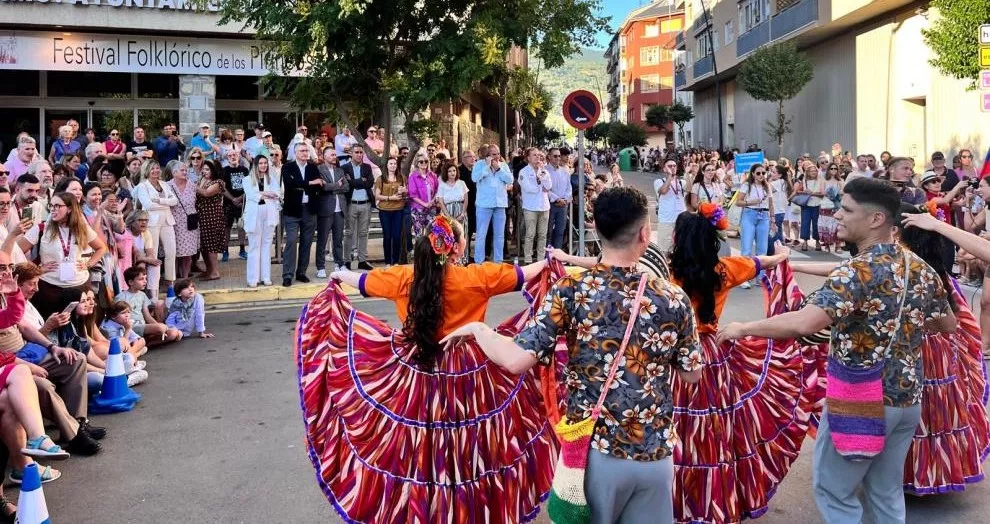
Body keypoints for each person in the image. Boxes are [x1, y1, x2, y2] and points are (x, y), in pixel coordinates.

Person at [445, 188, 705, 524]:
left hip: (593, 453)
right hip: (654, 453)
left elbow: (515, 360)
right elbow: (691, 374)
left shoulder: (572, 290)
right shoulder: (673, 297)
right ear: (645, 234)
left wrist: (479, 330)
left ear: (595, 230)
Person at [717, 177, 957, 523]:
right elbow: (947, 325)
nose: (837, 215)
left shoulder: (857, 270)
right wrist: (900, 319)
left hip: (861, 400)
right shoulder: (918, 267)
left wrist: (743, 328)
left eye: (846, 209)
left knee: (834, 491)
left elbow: (803, 324)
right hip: (906, 400)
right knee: (885, 491)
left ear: (876, 219)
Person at [300, 213, 556, 522]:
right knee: (469, 448)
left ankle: (426, 509)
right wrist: (550, 261)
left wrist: (339, 274)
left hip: (416, 370)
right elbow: (526, 272)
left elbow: (362, 281)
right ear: (458, 248)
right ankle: (465, 510)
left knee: (420, 446)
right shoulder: (477, 277)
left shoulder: (404, 277)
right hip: (471, 374)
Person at [793, 203, 990, 495]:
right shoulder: (921, 266)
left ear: (896, 232)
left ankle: (892, 479)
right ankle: (908, 477)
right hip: (923, 351)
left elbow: (848, 273)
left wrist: (937, 225)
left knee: (898, 411)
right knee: (917, 415)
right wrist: (794, 265)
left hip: (909, 350)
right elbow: (847, 271)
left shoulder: (907, 264)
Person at [12, 261, 104, 456]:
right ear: (18, 282)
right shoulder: (11, 300)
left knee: (76, 358)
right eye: (31, 284)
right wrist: (48, 329)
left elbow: (27, 330)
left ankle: (79, 423)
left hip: (31, 354)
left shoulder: (18, 302)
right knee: (44, 386)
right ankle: (74, 435)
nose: (36, 289)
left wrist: (53, 347)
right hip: (16, 362)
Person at [15, 191, 106, 319]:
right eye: (51, 206)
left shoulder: (82, 228)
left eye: (57, 206)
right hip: (49, 287)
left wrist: (89, 263)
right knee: (52, 324)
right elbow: (16, 250)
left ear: (69, 208)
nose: (53, 209)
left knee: (80, 326)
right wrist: (36, 269)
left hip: (79, 285)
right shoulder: (42, 228)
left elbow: (101, 248)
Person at [134, 160, 178, 299]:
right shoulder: (142, 186)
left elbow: (174, 201)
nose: (155, 171)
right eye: (152, 169)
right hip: (151, 223)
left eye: (157, 168)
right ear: (147, 171)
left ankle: (170, 283)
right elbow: (148, 205)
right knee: (153, 255)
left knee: (171, 252)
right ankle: (153, 289)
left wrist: (159, 201)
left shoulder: (164, 184)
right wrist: (166, 203)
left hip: (167, 221)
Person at [280, 142, 322, 287]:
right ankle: (287, 275)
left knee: (306, 242)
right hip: (292, 209)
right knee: (291, 241)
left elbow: (319, 184)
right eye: (302, 150)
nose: (305, 153)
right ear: (295, 152)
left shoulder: (313, 167)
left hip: (309, 209)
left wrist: (303, 184)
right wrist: (310, 183)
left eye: (307, 150)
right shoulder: (287, 167)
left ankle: (301, 273)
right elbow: (290, 184)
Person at [116, 266, 182, 347]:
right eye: (141, 279)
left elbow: (147, 316)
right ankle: (142, 343)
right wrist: (160, 328)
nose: (145, 281)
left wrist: (161, 327)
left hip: (143, 326)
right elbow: (118, 317)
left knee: (172, 334)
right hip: (131, 326)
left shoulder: (142, 295)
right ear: (131, 282)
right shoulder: (122, 297)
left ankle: (146, 343)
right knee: (161, 328)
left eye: (145, 278)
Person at [243, 155, 282, 288]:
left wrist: (265, 194)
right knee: (254, 246)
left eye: (265, 163)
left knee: (266, 246)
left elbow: (276, 193)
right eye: (260, 163)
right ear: (255, 165)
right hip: (254, 215)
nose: (263, 165)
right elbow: (252, 196)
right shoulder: (247, 180)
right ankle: (253, 278)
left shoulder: (271, 179)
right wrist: (267, 193)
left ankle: (266, 277)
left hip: (269, 213)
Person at [736, 164, 776, 288]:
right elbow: (738, 202)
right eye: (758, 173)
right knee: (746, 248)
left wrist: (773, 220)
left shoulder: (767, 186)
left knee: (762, 249)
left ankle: (761, 277)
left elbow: (770, 204)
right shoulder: (747, 185)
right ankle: (744, 278)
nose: (761, 176)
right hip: (749, 214)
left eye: (763, 173)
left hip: (764, 216)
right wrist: (750, 202)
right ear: (752, 174)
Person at [472, 145, 513, 263]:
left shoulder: (503, 165)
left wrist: (499, 169)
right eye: (494, 154)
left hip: (500, 204)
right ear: (488, 155)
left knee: (500, 235)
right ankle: (479, 262)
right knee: (481, 235)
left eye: (498, 154)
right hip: (484, 205)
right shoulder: (479, 164)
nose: (497, 156)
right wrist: (487, 167)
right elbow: (475, 178)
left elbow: (510, 180)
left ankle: (498, 261)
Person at [342, 145, 376, 271]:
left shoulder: (367, 167)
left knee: (363, 233)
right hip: (351, 204)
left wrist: (354, 182)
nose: (360, 155)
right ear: (351, 153)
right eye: (357, 152)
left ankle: (362, 260)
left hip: (365, 203)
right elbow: (346, 185)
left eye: (361, 152)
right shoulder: (344, 168)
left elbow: (370, 182)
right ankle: (347, 261)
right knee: (348, 233)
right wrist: (360, 181)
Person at [195, 160, 226, 281]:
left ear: (214, 170)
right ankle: (209, 270)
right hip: (202, 216)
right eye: (204, 169)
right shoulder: (202, 180)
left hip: (212, 216)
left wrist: (193, 186)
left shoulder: (219, 182)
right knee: (204, 245)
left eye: (207, 169)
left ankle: (215, 271)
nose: (204, 171)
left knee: (211, 245)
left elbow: (206, 193)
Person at [373, 157, 406, 268]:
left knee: (396, 236)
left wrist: (404, 191)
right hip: (385, 210)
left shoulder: (401, 178)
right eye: (390, 163)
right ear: (386, 165)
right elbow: (377, 195)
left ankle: (395, 261)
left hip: (398, 210)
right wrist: (390, 198)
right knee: (387, 236)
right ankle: (387, 262)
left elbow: (407, 193)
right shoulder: (381, 179)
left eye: (394, 163)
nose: (393, 165)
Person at [653, 158, 687, 253]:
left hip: (681, 220)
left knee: (682, 249)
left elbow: (692, 190)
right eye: (669, 166)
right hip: (666, 221)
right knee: (665, 250)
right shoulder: (659, 182)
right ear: (664, 169)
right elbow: (663, 191)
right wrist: (669, 176)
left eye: (674, 166)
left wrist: (689, 174)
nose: (672, 167)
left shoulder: (682, 182)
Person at [221, 148, 248, 262]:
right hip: (228, 203)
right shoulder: (223, 171)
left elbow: (249, 187)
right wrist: (233, 199)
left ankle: (242, 250)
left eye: (235, 155)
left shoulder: (245, 170)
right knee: (227, 227)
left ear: (238, 156)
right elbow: (222, 188)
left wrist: (240, 198)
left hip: (243, 202)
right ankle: (225, 251)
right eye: (230, 155)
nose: (233, 157)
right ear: (227, 158)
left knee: (242, 227)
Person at [435, 161, 469, 255]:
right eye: (450, 171)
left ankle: (462, 258)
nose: (452, 173)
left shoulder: (461, 183)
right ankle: (449, 257)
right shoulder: (442, 185)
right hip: (447, 211)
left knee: (461, 234)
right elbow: (441, 201)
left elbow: (466, 199)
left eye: (454, 170)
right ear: (446, 172)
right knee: (448, 235)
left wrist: (462, 213)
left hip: (460, 211)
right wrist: (448, 216)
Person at [793, 162, 824, 251]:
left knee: (816, 224)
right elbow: (797, 191)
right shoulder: (804, 180)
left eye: (815, 171)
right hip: (806, 205)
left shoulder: (820, 180)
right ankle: (805, 242)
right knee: (805, 223)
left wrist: (812, 193)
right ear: (808, 172)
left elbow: (822, 194)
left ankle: (817, 241)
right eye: (811, 171)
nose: (814, 172)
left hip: (817, 205)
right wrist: (804, 191)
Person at [408, 153, 439, 240]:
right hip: (418, 209)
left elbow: (437, 190)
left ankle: (431, 252)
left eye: (426, 161)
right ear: (417, 163)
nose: (424, 163)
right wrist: (424, 204)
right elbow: (412, 194)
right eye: (421, 162)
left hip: (431, 207)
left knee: (434, 232)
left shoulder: (432, 175)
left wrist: (432, 201)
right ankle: (419, 253)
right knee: (419, 234)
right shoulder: (413, 177)